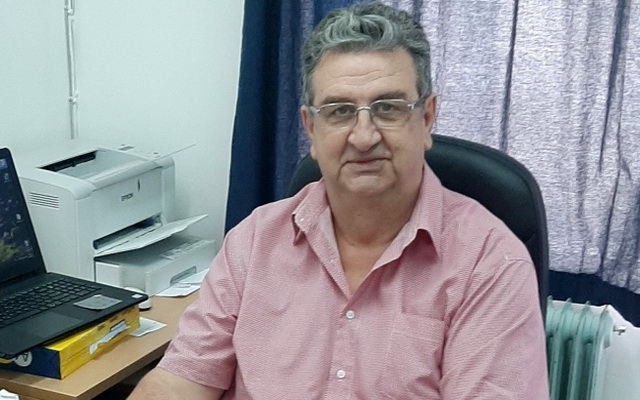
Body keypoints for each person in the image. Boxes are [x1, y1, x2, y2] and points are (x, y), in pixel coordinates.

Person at [128, 3, 548, 399]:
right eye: (339, 111)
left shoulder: (490, 264)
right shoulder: (254, 242)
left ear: (426, 118)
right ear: (310, 129)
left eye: (388, 108)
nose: (363, 137)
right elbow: (180, 381)